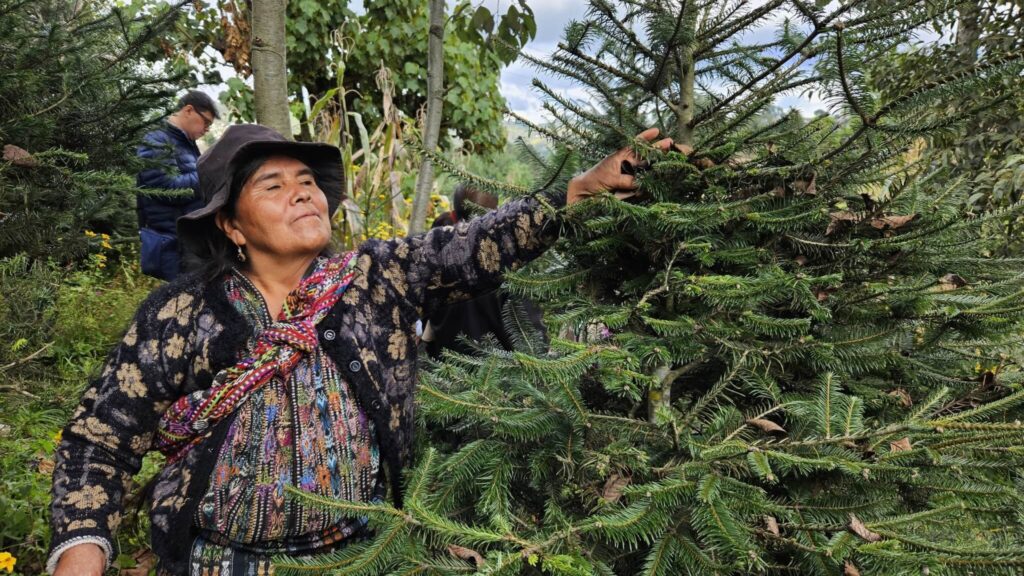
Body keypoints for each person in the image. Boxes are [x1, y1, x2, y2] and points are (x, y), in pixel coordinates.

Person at [48, 124, 674, 575]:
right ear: (231, 225)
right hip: (220, 562)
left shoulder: (375, 279)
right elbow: (98, 440)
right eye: (273, 185)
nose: (303, 193)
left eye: (307, 182)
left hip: (362, 554)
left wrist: (576, 194)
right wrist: (81, 554)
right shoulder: (179, 316)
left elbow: (474, 246)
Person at [423, 184, 548, 358]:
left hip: (443, 373)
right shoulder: (511, 263)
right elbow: (532, 337)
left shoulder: (434, 260)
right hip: (499, 379)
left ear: (453, 214)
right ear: (497, 213)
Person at [137, 90, 220, 281]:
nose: (206, 129)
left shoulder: (185, 143)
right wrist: (207, 174)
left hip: (189, 242)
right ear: (189, 110)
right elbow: (166, 188)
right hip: (175, 245)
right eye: (206, 122)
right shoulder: (156, 141)